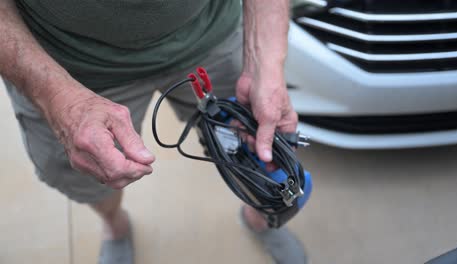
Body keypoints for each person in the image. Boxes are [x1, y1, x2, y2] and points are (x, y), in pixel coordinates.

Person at [0, 0, 306, 263]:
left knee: (258, 149)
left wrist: (264, 62)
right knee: (88, 177)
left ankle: (263, 216)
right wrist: (59, 101)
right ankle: (114, 225)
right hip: (68, 65)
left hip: (211, 33)